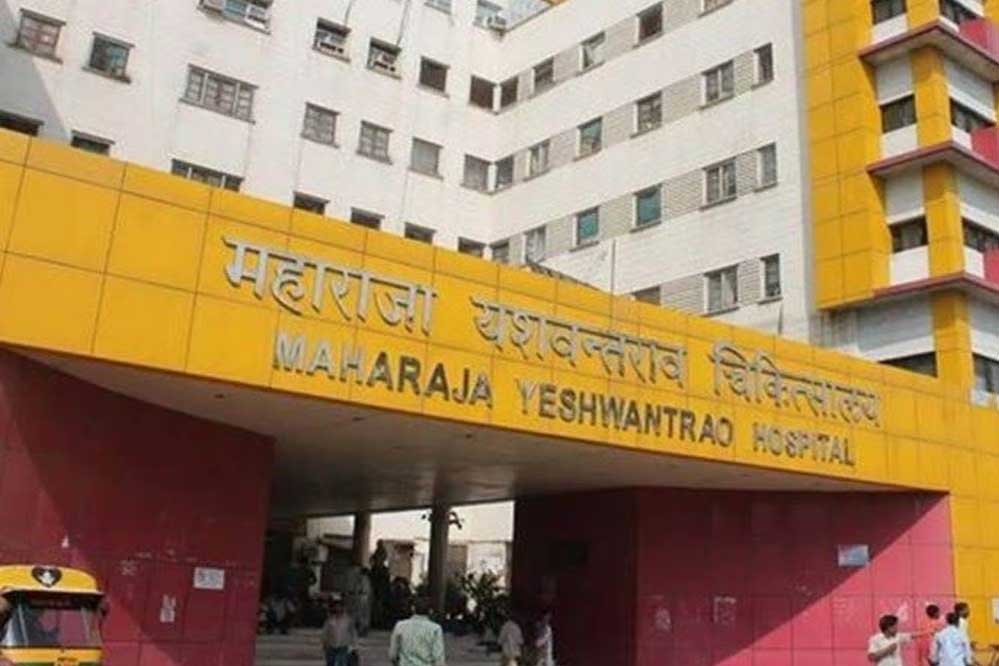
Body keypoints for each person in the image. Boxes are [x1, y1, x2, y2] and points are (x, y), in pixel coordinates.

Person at [388, 596, 446, 666]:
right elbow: (438, 657)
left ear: (413, 608)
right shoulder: (435, 629)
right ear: (430, 611)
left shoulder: (400, 626)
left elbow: (393, 655)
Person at [320, 597, 357, 666]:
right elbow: (325, 632)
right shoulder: (330, 620)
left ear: (342, 608)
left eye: (339, 606)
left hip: (343, 647)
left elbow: (353, 633)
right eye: (336, 607)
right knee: (330, 663)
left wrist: (354, 646)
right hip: (331, 646)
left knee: (342, 663)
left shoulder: (348, 620)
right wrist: (324, 643)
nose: (338, 608)